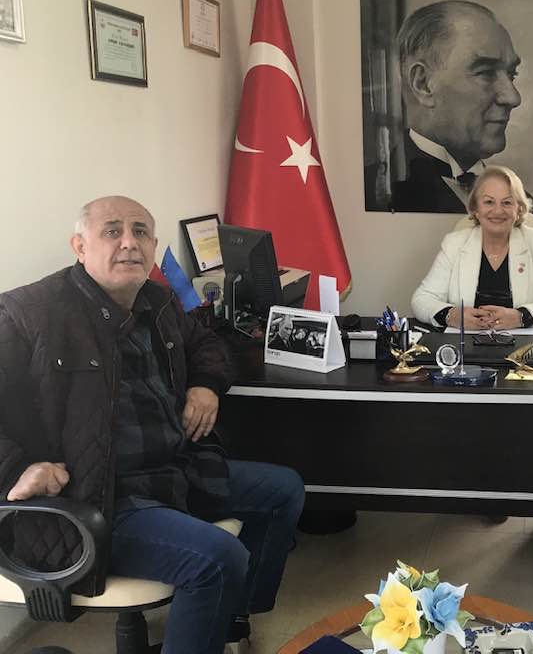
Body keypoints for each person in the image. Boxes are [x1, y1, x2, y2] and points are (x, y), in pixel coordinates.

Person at [0, 196, 305, 654]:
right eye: (112, 231)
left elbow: (208, 345)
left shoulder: (157, 301)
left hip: (170, 472)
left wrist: (205, 385)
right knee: (217, 559)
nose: (129, 243)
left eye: (140, 231)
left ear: (154, 244)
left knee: (284, 491)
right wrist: (17, 468)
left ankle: (228, 620)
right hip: (94, 498)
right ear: (79, 246)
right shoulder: (29, 312)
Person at [387, 0, 523, 214]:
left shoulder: (521, 204)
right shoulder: (382, 195)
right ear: (423, 84)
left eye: (511, 75)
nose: (513, 98)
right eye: (486, 73)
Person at [411, 166, 533, 330]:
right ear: (476, 209)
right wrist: (451, 315)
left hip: (523, 343)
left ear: (519, 209)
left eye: (507, 202)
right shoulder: (455, 243)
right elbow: (421, 299)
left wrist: (520, 317)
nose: (497, 211)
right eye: (489, 202)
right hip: (465, 342)